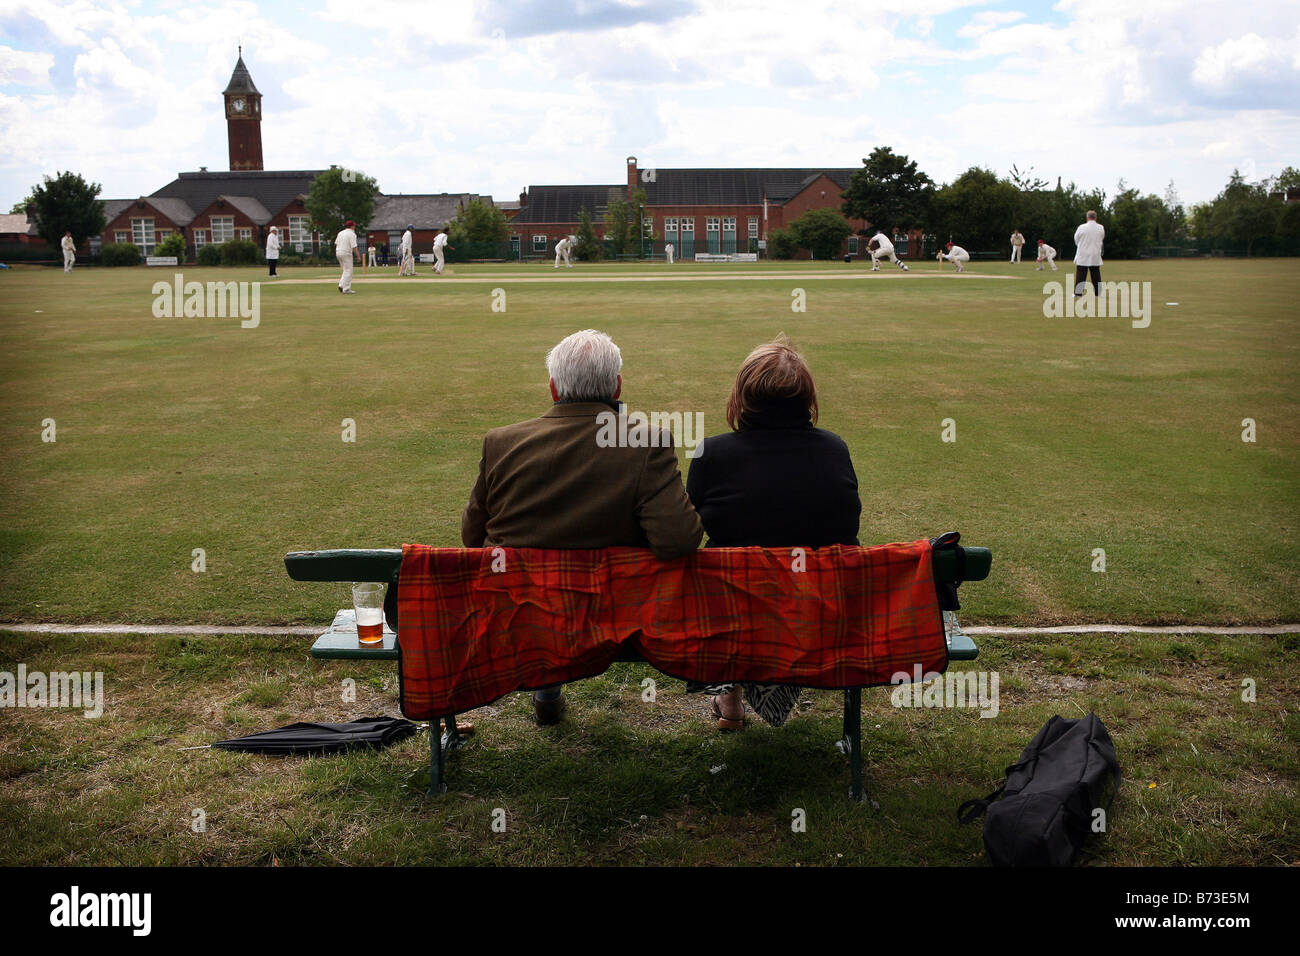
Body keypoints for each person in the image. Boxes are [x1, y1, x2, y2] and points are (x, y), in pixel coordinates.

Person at [462, 329, 702, 725]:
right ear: (617, 385)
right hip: (610, 619)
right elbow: (678, 539)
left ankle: (547, 688)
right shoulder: (646, 441)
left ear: (554, 388)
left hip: (518, 619)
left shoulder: (501, 442)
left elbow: (473, 539)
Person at [684, 337, 861, 730]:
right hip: (817, 618)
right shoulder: (833, 448)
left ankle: (729, 704)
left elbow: (687, 535)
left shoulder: (710, 454)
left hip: (733, 621)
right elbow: (847, 530)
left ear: (742, 398)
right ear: (806, 398)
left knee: (724, 563)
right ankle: (733, 702)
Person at [1073, 210, 1104, 297]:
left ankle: (1078, 293)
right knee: (1096, 274)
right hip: (1095, 253)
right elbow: (1101, 238)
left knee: (1081, 274)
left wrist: (1081, 246)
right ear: (1096, 218)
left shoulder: (1081, 227)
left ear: (1087, 217)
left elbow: (1076, 239)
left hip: (1083, 253)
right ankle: (1098, 293)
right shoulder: (1101, 227)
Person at [335, 219, 360, 293]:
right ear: (351, 226)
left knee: (345, 270)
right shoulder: (352, 234)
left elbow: (336, 243)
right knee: (349, 271)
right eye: (354, 226)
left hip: (338, 252)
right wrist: (358, 256)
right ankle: (343, 286)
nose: (354, 227)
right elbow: (354, 247)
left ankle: (345, 287)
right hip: (346, 253)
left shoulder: (340, 233)